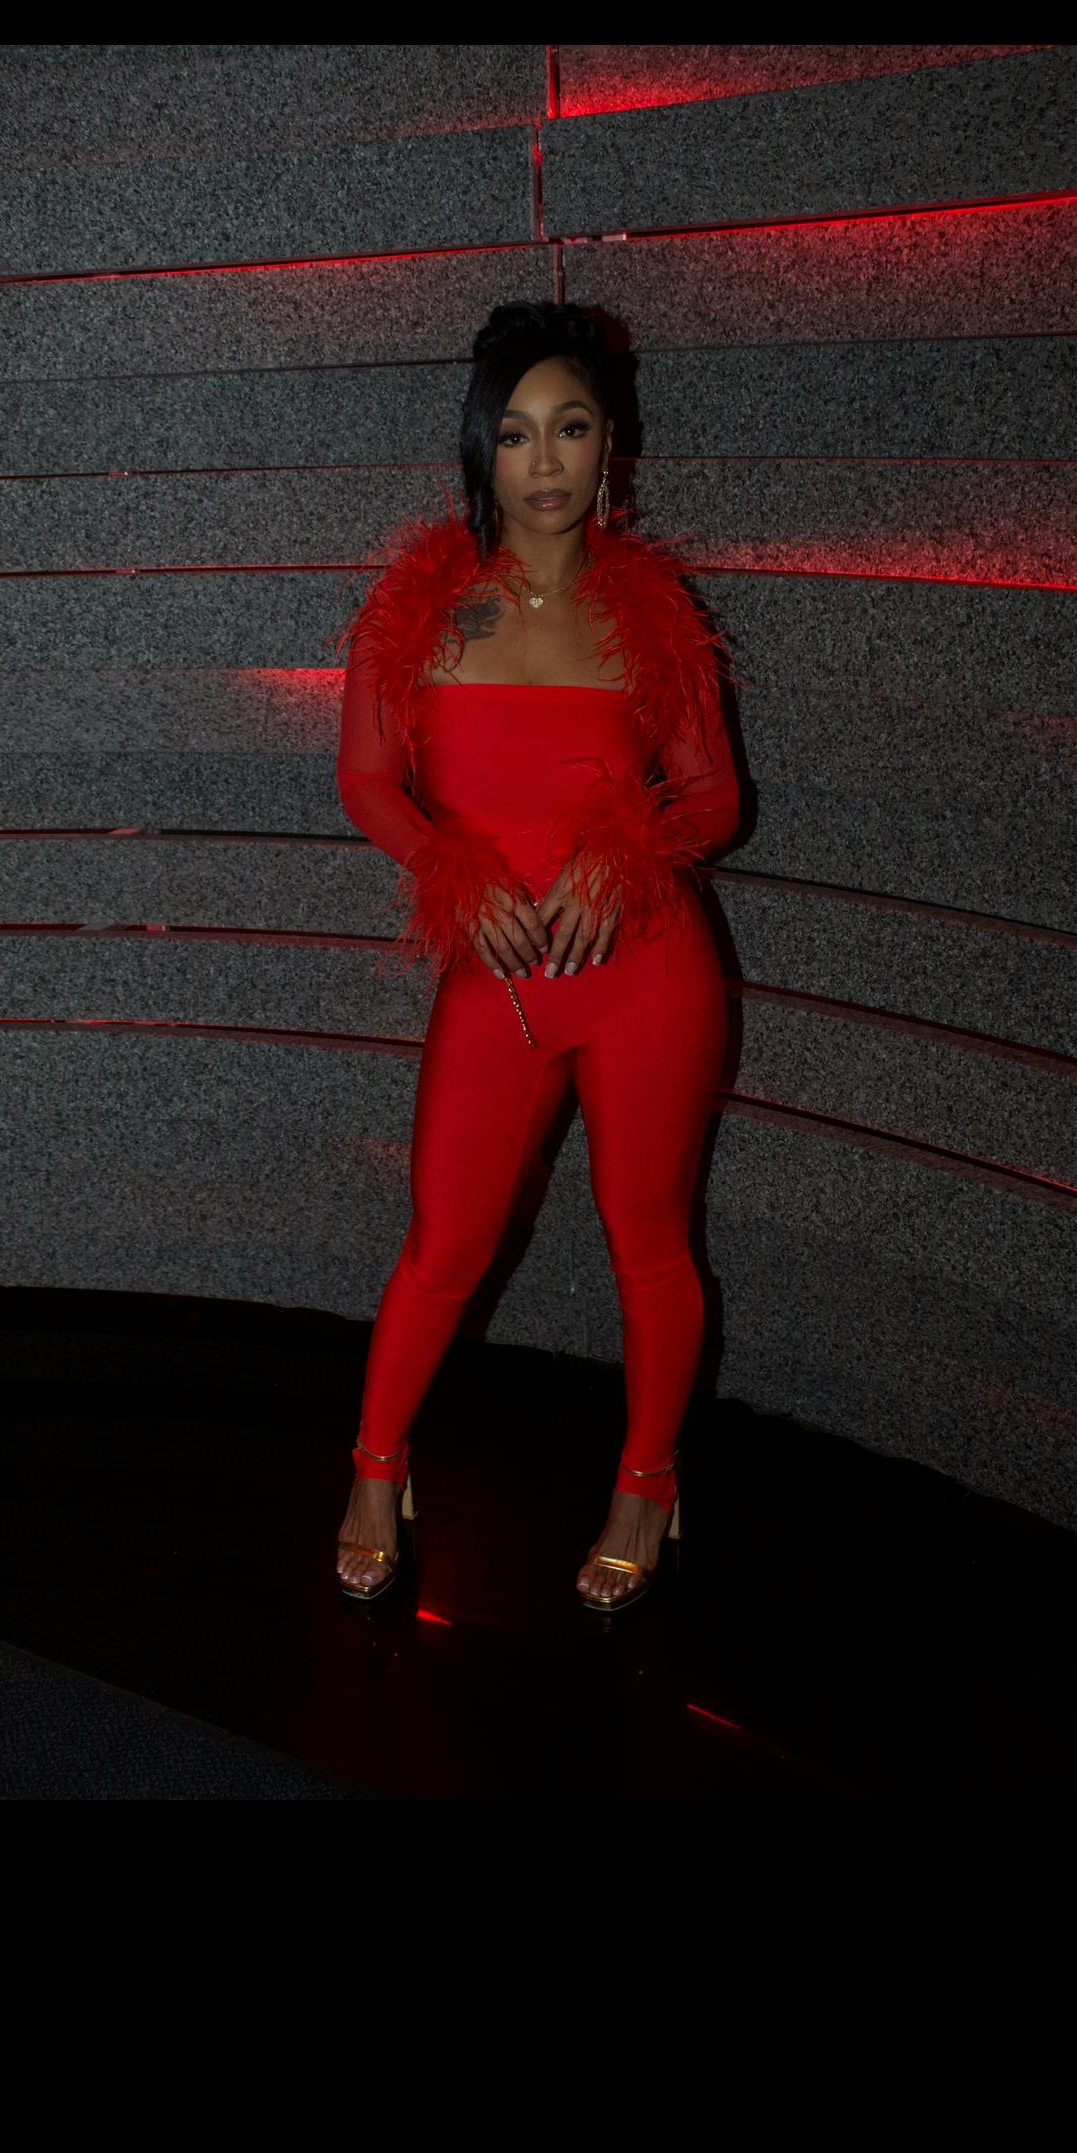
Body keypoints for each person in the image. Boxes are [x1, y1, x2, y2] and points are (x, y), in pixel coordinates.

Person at [331, 301, 743, 1611]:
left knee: (650, 1244)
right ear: (480, 449)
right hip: (498, 978)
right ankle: (375, 1469)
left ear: (611, 442)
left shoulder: (653, 611)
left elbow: (714, 798)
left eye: (570, 427)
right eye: (514, 434)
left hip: (648, 974)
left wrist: (630, 857)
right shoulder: (420, 608)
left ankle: (647, 1483)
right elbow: (366, 780)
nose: (545, 461)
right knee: (442, 1243)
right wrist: (449, 870)